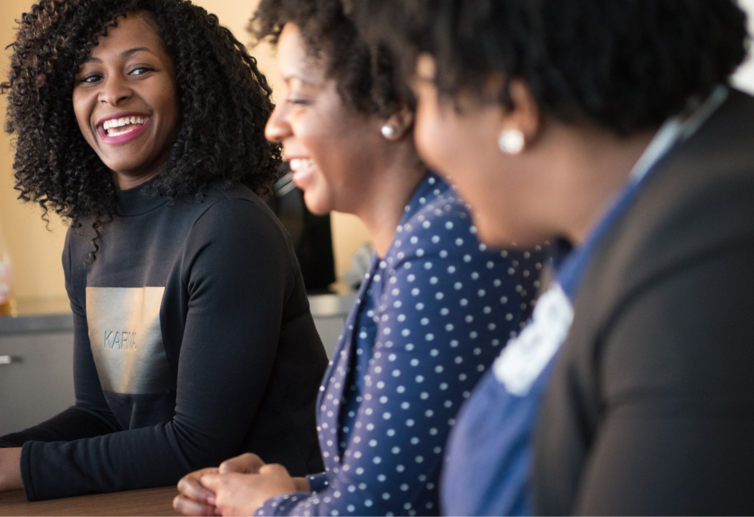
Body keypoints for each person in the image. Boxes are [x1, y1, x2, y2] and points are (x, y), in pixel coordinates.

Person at [349, 0, 754, 515]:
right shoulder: (651, 209)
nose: (421, 139)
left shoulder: (739, 254)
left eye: (421, 99)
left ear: (512, 104)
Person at [0, 0, 329, 507]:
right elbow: (100, 416)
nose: (113, 92)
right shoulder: (89, 234)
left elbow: (196, 442)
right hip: (165, 499)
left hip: (276, 506)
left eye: (140, 69)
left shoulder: (229, 227)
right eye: (89, 77)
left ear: (189, 85)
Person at [171, 0, 543, 515]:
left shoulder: (443, 243)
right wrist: (300, 489)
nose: (273, 125)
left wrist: (268, 507)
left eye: (299, 98)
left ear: (391, 104)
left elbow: (378, 511)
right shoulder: (412, 240)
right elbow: (414, 476)